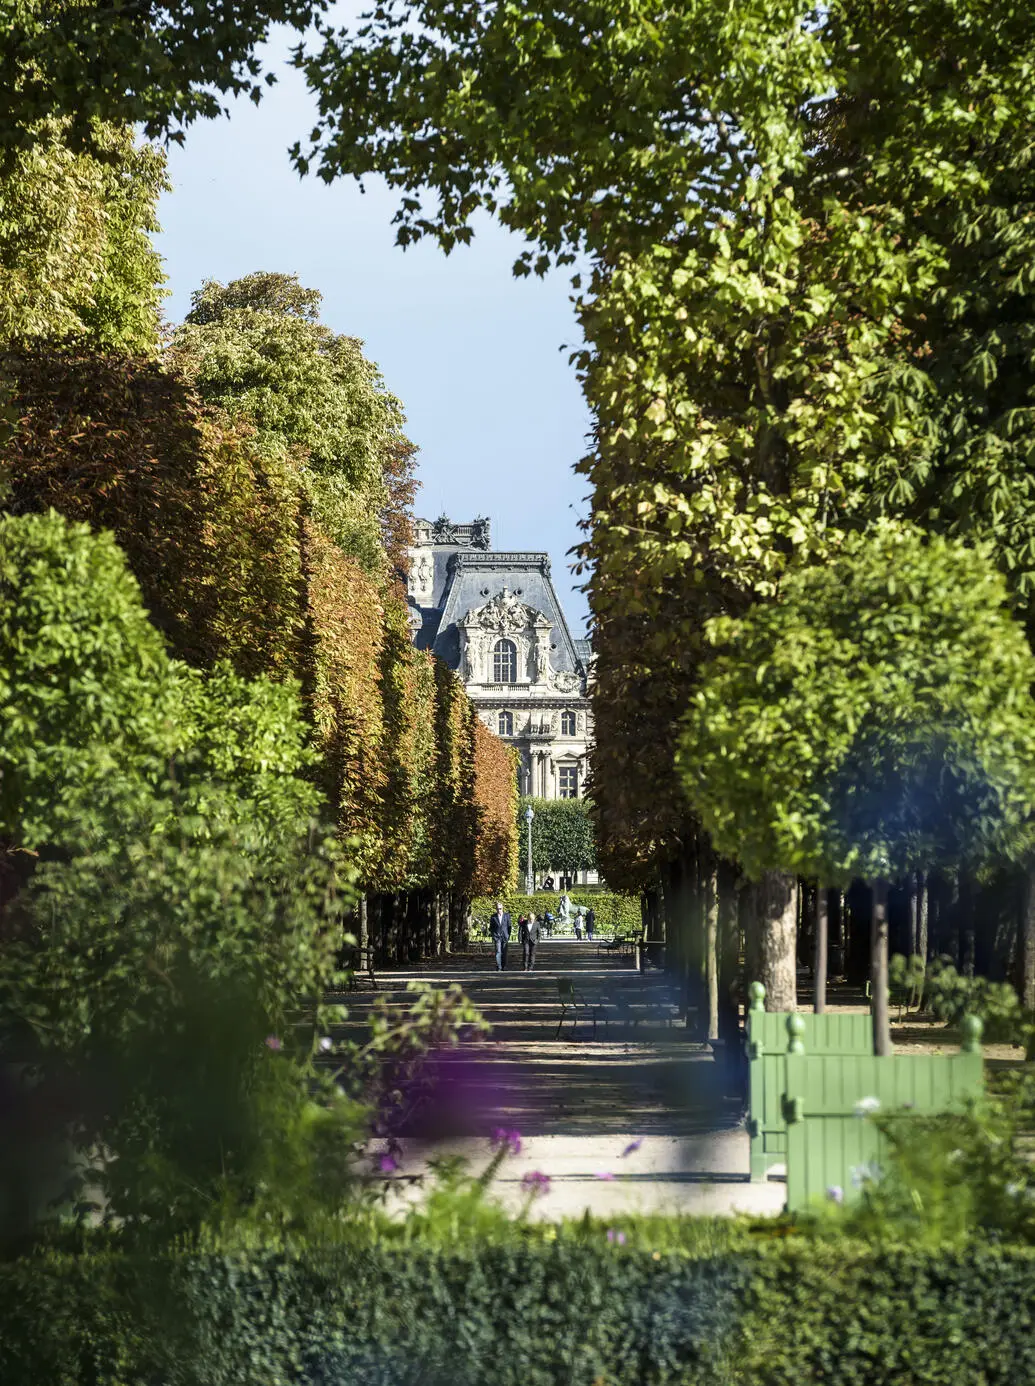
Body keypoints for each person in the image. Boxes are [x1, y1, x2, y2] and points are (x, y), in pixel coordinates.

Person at [489, 900, 511, 971]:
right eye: (498, 908)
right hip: (497, 937)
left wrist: (508, 935)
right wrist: (494, 935)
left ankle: (504, 966)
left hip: (505, 936)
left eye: (500, 908)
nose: (499, 910)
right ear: (496, 909)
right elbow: (491, 927)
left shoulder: (507, 915)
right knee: (498, 952)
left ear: (503, 908)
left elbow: (509, 926)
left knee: (504, 952)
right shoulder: (493, 917)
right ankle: (499, 966)